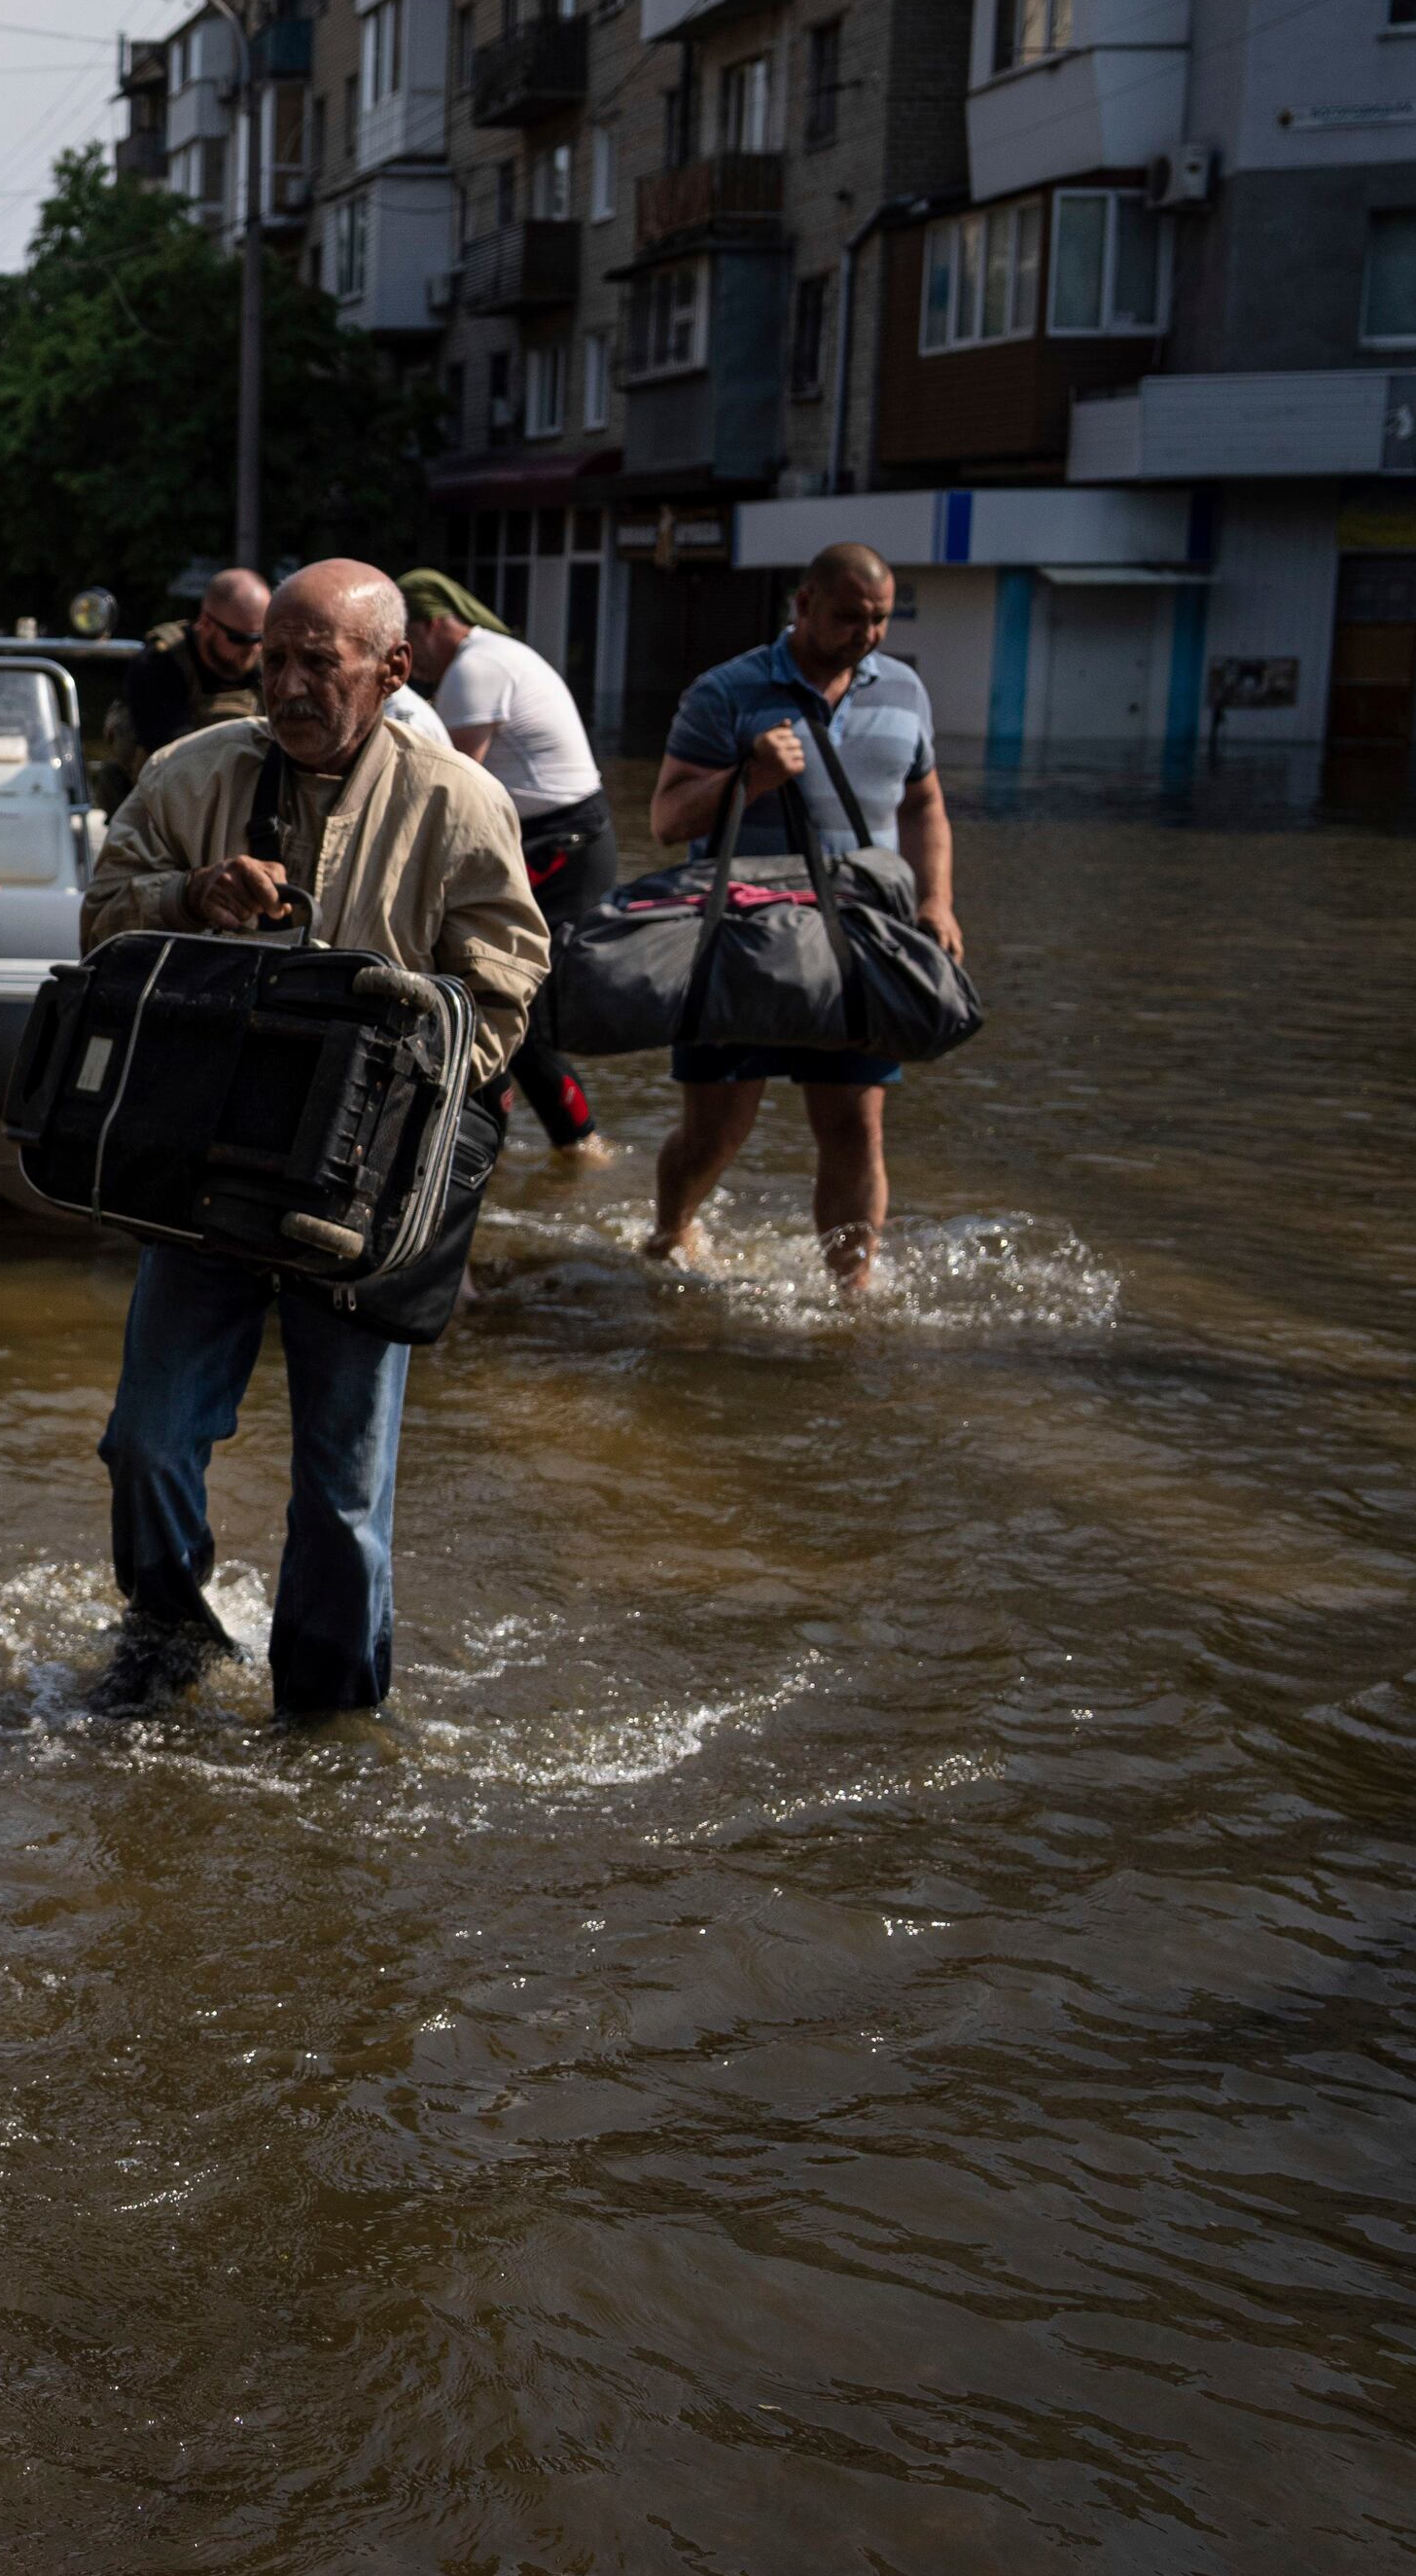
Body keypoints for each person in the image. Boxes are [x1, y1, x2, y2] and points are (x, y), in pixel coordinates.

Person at [70, 560, 549, 1720]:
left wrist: (392, 1088)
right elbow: (97, 921)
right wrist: (189, 898)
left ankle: (327, 1721)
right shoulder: (192, 772)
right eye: (269, 658)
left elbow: (504, 984)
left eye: (314, 663)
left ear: (390, 671)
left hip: (360, 1204)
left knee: (341, 1493)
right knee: (144, 1438)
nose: (284, 684)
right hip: (202, 1171)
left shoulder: (457, 803)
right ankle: (166, 1632)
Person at [643, 541, 966, 1293]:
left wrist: (936, 901)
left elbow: (924, 804)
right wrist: (750, 776)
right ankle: (670, 1236)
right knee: (716, 1131)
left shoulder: (905, 690)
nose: (867, 633)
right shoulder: (726, 692)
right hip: (741, 939)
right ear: (803, 606)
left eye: (880, 618)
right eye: (850, 616)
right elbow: (665, 817)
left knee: (855, 1125)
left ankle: (848, 1293)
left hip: (857, 941)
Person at [404, 565, 611, 1161]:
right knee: (489, 996)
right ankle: (535, 1148)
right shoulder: (493, 655)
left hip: (561, 844)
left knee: (509, 1002)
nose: (407, 656)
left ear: (436, 623)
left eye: (410, 638)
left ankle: (574, 1146)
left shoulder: (474, 668)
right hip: (559, 835)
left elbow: (449, 787)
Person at [118, 565, 271, 765]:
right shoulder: (158, 665)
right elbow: (173, 759)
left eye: (262, 637)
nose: (255, 648)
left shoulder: (269, 662)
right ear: (206, 624)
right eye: (241, 639)